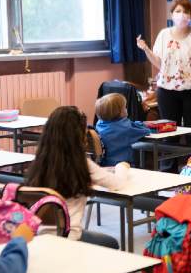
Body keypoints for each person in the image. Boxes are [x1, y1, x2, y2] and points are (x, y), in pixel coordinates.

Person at [26, 106, 129, 247]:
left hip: (38, 236)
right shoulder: (81, 164)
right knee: (111, 243)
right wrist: (121, 167)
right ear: (77, 136)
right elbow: (118, 184)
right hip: (69, 237)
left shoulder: (39, 162)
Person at [136, 0, 191, 161]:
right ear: (172, 14)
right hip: (167, 92)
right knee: (169, 135)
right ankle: (169, 174)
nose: (181, 15)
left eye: (185, 12)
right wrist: (146, 49)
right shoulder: (164, 34)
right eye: (178, 11)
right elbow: (159, 63)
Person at [94, 93, 151, 166]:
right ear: (120, 112)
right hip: (121, 165)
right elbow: (146, 131)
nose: (126, 109)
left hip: (104, 164)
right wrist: (138, 123)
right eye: (124, 107)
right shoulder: (126, 128)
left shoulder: (99, 124)